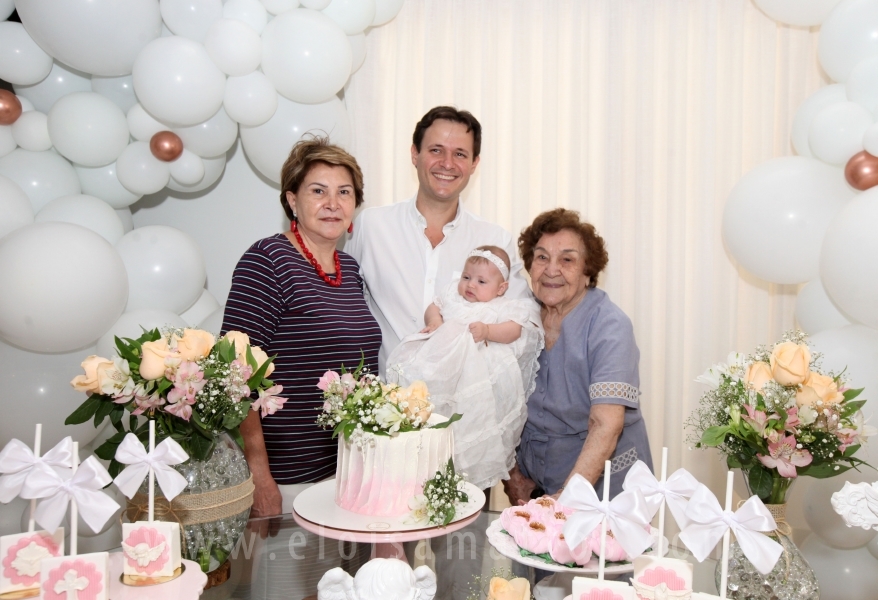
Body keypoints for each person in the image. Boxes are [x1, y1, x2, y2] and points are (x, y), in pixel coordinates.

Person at [220, 136, 382, 518]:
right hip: (289, 476)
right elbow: (233, 375)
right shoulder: (267, 260)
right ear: (292, 200)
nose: (332, 203)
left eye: (344, 192)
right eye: (318, 191)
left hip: (348, 473)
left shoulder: (350, 269)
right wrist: (259, 474)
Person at [345, 106, 533, 376]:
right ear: (414, 154)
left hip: (461, 409)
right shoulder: (371, 226)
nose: (447, 163)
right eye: (436, 150)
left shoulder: (495, 240)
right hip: (381, 403)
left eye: (460, 154)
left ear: (474, 164)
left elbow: (521, 321)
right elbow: (342, 306)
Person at [504, 208, 653, 505]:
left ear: (588, 272)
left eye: (567, 260)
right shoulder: (516, 317)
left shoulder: (609, 326)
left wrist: (565, 501)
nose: (551, 269)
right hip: (535, 488)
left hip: (606, 491)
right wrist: (513, 476)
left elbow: (605, 425)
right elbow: (493, 402)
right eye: (542, 257)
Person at [386, 245, 543, 490]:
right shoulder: (452, 295)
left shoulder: (503, 306)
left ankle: (465, 468)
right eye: (467, 277)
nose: (471, 285)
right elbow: (434, 306)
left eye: (481, 281)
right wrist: (435, 320)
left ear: (501, 288)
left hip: (476, 378)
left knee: (469, 422)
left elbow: (514, 330)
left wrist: (489, 330)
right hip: (442, 368)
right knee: (431, 409)